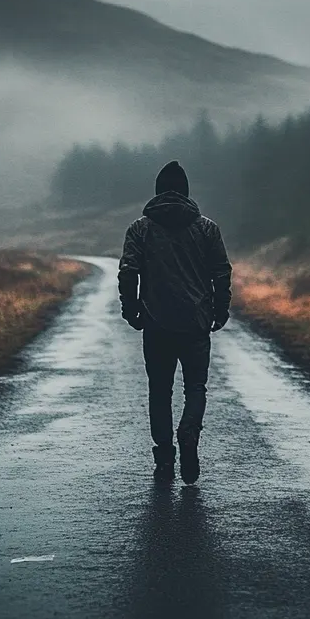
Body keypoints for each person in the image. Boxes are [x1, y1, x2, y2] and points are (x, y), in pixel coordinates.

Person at [118, 160, 232, 484]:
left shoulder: (140, 228)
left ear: (157, 192)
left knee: (159, 390)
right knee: (195, 386)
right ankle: (189, 432)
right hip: (196, 323)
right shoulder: (207, 228)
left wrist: (132, 311)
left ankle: (165, 459)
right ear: (186, 192)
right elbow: (221, 272)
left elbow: (128, 272)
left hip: (156, 323)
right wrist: (220, 310)